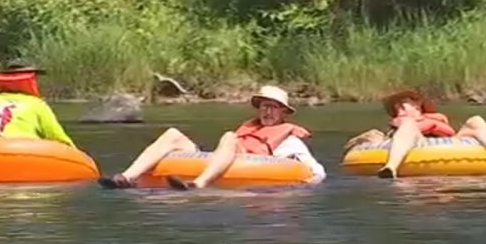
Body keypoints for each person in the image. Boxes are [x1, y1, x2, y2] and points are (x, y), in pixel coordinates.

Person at [98, 85, 325, 190]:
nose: (267, 112)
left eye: (274, 108)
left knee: (229, 136)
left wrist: (302, 182)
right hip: (222, 160)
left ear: (283, 112)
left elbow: (316, 171)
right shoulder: (249, 128)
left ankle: (199, 183)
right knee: (173, 135)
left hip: (251, 164)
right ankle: (127, 177)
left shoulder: (290, 141)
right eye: (265, 106)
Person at [352, 90, 486, 179]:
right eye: (400, 105)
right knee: (408, 125)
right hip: (417, 142)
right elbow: (427, 127)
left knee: (476, 120)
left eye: (410, 102)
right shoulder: (401, 121)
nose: (403, 107)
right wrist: (430, 123)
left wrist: (432, 123)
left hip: (449, 143)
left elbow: (448, 132)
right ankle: (391, 167)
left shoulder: (436, 117)